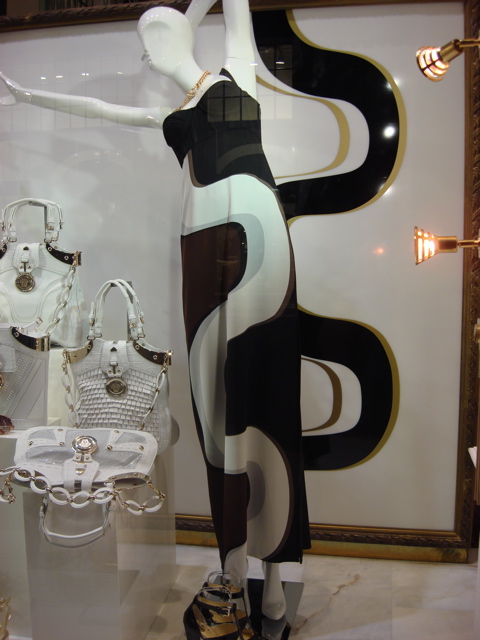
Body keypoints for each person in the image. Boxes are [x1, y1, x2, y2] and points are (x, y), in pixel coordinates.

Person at [0, 0, 310, 620]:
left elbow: (235, 10)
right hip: (199, 248)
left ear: (183, 33)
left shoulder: (237, 74)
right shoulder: (174, 117)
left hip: (258, 237)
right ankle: (232, 565)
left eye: (158, 32)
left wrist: (188, 12)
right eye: (145, 38)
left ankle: (277, 570)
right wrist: (30, 97)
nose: (150, 49)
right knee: (214, 404)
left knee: (267, 395)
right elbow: (102, 110)